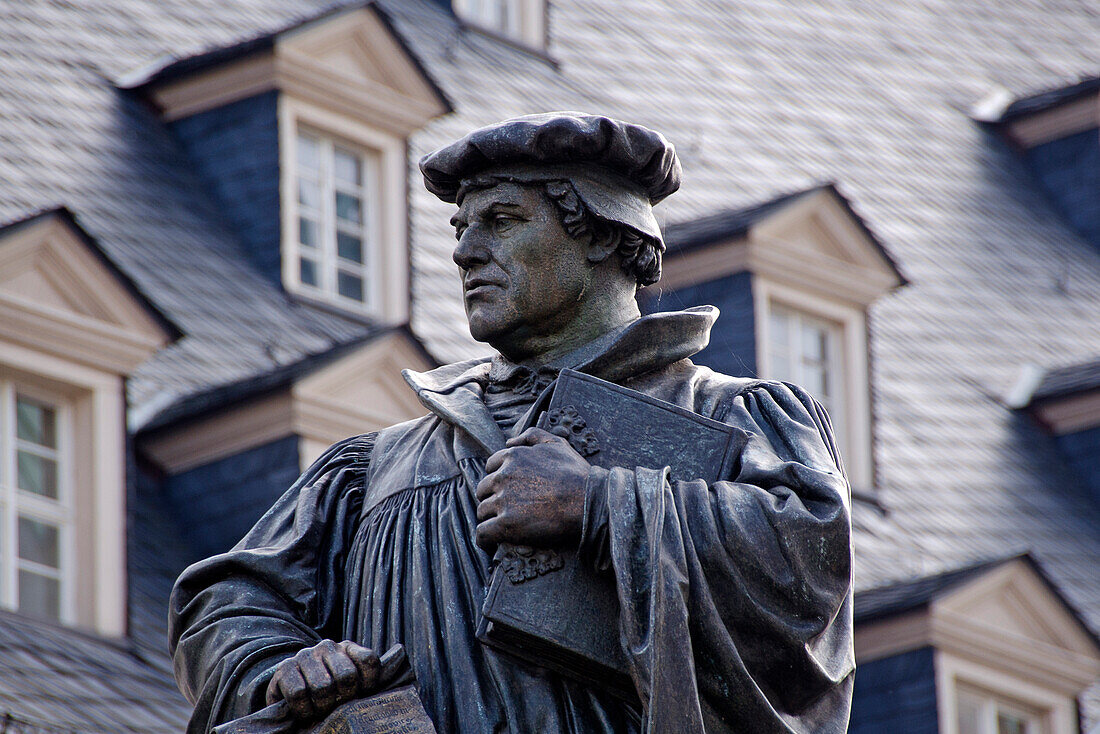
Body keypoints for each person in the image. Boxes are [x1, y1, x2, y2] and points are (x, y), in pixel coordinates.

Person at [169, 112, 855, 734]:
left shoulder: (728, 415)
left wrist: (595, 503)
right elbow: (225, 600)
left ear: (604, 236)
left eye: (501, 220)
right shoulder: (375, 468)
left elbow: (808, 554)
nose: (466, 253)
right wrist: (278, 665)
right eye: (460, 230)